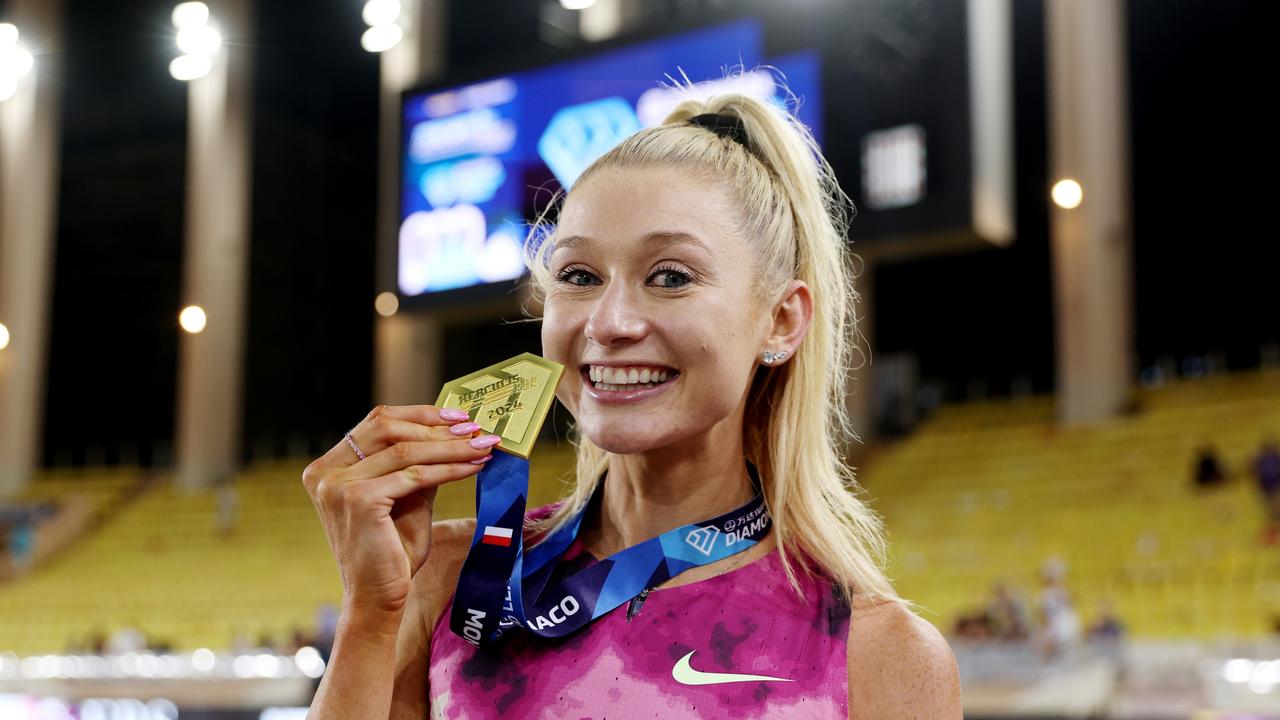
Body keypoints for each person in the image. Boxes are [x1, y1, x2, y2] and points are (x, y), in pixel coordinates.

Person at [301, 73, 961, 719]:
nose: (608, 322)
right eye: (579, 276)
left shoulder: (877, 655)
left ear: (781, 321)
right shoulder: (450, 582)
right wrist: (369, 614)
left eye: (670, 277)